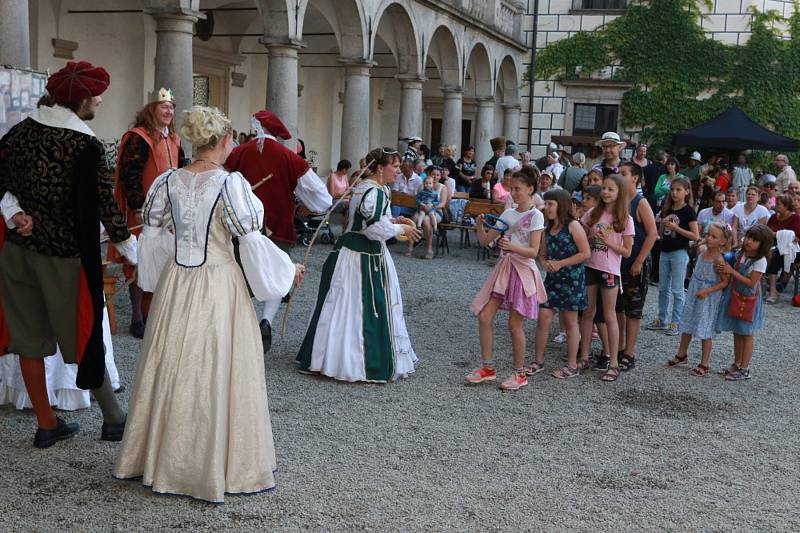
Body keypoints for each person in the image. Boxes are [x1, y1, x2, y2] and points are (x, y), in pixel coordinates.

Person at [113, 106, 301, 502]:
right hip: (218, 285)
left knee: (174, 365)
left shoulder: (169, 181)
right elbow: (250, 240)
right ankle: (213, 464)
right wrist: (285, 273)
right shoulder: (231, 184)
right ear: (222, 141)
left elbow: (155, 231)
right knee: (218, 367)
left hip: (177, 285)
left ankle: (165, 458)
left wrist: (155, 273)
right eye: (231, 138)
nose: (233, 143)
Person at [0, 60, 135, 447]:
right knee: (83, 335)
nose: (101, 101)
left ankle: (46, 423)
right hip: (65, 257)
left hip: (18, 253)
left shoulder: (19, 134)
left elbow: (1, 180)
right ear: (81, 100)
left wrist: (15, 214)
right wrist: (130, 246)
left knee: (28, 339)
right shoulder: (86, 144)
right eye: (97, 95)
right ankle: (113, 418)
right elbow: (104, 203)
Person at [296, 148, 421, 382]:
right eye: (394, 166)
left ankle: (332, 357)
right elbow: (373, 230)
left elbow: (369, 221)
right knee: (357, 308)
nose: (398, 170)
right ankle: (357, 363)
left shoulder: (370, 188)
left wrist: (394, 220)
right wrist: (400, 228)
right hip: (361, 256)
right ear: (381, 168)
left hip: (353, 251)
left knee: (343, 307)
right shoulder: (375, 191)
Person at [225, 109, 332, 353]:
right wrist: (304, 209)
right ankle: (266, 321)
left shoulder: (237, 153)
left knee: (244, 275)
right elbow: (322, 199)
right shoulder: (290, 157)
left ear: (255, 129)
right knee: (276, 273)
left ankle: (245, 325)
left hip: (242, 228)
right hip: (280, 226)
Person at [108, 88, 184, 339]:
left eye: (172, 107)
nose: (169, 111)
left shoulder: (173, 138)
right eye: (163, 106)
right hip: (142, 210)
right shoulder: (138, 137)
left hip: (168, 209)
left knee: (162, 257)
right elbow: (130, 173)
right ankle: (137, 318)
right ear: (151, 110)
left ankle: (154, 313)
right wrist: (137, 207)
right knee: (140, 260)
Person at [466, 170, 546, 391]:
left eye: (518, 189)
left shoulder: (536, 215)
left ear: (530, 189)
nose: (513, 192)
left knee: (514, 324)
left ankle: (519, 374)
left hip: (522, 272)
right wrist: (480, 224)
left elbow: (534, 251)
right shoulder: (509, 214)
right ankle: (488, 368)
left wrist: (511, 246)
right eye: (511, 188)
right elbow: (485, 241)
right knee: (484, 316)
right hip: (505, 270)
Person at [528, 189, 590, 378]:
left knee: (571, 322)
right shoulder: (548, 229)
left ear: (561, 205)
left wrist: (561, 263)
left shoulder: (573, 226)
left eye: (550, 204)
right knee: (543, 318)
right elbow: (542, 254)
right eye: (545, 204)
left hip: (572, 281)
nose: (546, 208)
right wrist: (544, 263)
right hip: (553, 281)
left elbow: (585, 253)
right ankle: (538, 361)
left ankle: (572, 365)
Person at [579, 174, 634, 382]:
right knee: (588, 312)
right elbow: (581, 235)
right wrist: (590, 238)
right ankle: (584, 356)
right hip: (590, 266)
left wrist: (607, 242)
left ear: (619, 193)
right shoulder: (593, 213)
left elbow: (627, 251)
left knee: (610, 315)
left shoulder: (625, 219)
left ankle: (613, 362)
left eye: (611, 189)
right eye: (604, 189)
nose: (605, 192)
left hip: (610, 270)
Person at [665, 222, 732, 376]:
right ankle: (681, 354)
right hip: (695, 293)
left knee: (705, 327)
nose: (708, 238)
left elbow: (724, 282)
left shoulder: (719, 260)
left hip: (707, 298)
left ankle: (705, 362)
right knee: (688, 322)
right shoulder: (702, 253)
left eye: (713, 236)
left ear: (722, 241)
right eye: (708, 234)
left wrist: (707, 290)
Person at [715, 224, 774, 381]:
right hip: (736, 295)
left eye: (754, 240)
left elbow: (751, 282)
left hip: (749, 300)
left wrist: (732, 271)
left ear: (763, 245)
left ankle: (745, 368)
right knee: (737, 331)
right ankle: (737, 363)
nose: (749, 241)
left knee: (747, 334)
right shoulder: (741, 253)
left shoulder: (760, 261)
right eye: (748, 237)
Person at [615, 162, 657, 372]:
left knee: (633, 309)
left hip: (635, 263)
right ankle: (620, 346)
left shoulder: (640, 203)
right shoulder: (617, 201)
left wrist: (640, 260)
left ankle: (630, 352)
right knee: (617, 308)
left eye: (623, 173)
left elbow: (652, 234)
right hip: (618, 263)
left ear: (634, 178)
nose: (619, 176)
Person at [647, 177, 699, 335]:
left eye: (679, 190)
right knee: (663, 288)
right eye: (673, 189)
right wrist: (662, 226)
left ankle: (676, 322)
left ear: (686, 192)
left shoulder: (688, 211)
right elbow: (662, 234)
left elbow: (695, 235)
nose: (675, 193)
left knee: (677, 289)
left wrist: (676, 228)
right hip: (665, 250)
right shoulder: (667, 209)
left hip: (679, 252)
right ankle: (662, 319)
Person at [765, 195, 800, 303]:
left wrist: (776, 234)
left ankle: (773, 290)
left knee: (775, 254)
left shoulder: (796, 219)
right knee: (767, 251)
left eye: (779, 204)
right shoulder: (773, 217)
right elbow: (767, 232)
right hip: (774, 246)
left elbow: (796, 238)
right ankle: (769, 285)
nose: (776, 206)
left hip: (793, 249)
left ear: (786, 206)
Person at [410, 175, 440, 258]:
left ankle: (435, 228)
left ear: (432, 184)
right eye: (426, 183)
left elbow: (437, 202)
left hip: (431, 209)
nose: (428, 185)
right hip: (422, 208)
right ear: (424, 184)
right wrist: (421, 204)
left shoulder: (434, 193)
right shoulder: (422, 192)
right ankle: (419, 227)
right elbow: (417, 199)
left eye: (430, 183)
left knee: (430, 216)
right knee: (419, 216)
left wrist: (432, 204)